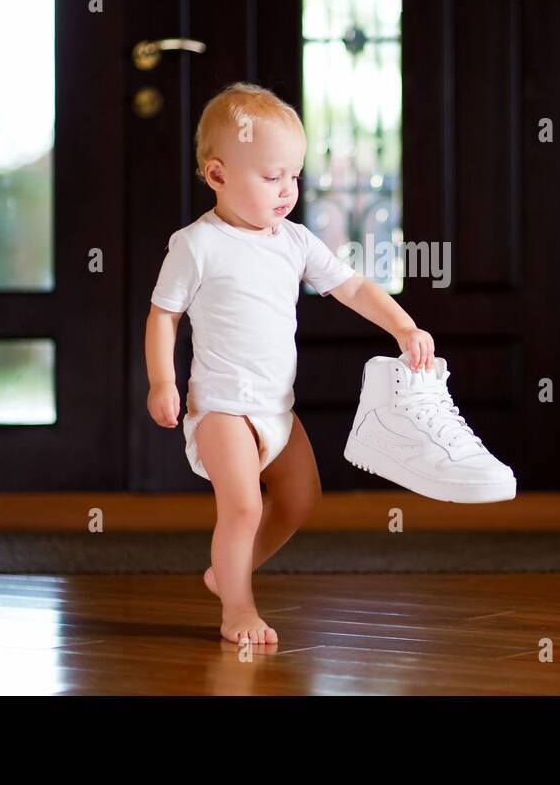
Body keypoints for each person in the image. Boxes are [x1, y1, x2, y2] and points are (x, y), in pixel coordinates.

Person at [144, 82, 435, 646]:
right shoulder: (197, 244)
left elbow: (353, 288)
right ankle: (237, 610)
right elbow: (163, 316)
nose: (287, 191)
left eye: (294, 176)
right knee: (244, 505)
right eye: (271, 176)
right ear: (218, 176)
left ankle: (224, 573)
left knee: (301, 500)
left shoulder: (294, 241)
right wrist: (163, 380)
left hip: (278, 410)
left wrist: (403, 325)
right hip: (223, 410)